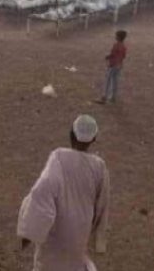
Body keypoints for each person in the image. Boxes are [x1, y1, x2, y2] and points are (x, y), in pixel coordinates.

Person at [18, 114, 110, 271]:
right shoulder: (99, 167)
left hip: (57, 230)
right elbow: (102, 205)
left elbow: (42, 193)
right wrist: (96, 236)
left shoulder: (59, 158)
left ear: (71, 134)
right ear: (94, 139)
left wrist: (29, 232)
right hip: (81, 230)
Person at [96, 30, 127, 105]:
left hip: (113, 64)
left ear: (118, 37)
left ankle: (104, 97)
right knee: (115, 81)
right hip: (119, 65)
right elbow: (123, 56)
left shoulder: (116, 45)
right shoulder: (123, 46)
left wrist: (107, 57)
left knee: (108, 80)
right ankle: (113, 97)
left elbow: (112, 54)